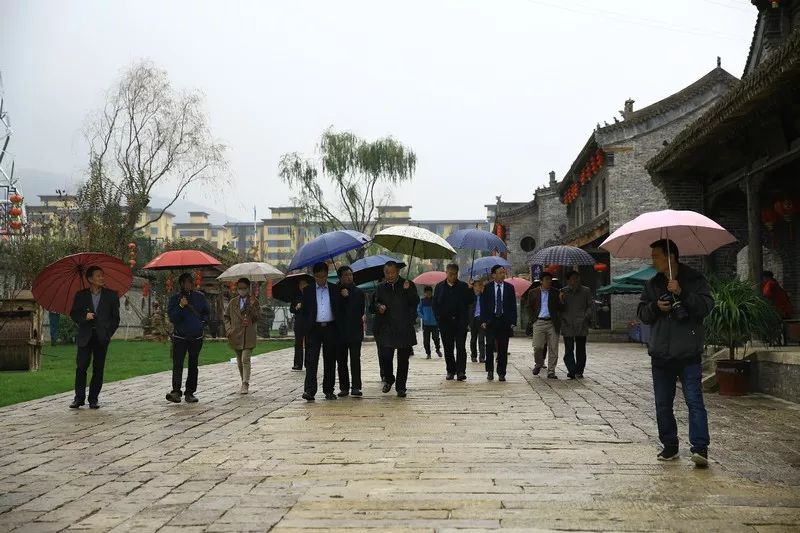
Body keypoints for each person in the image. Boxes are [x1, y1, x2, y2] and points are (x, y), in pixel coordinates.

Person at [637, 239, 713, 468]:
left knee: (694, 401)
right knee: (662, 404)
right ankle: (669, 446)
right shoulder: (653, 284)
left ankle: (700, 448)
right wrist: (655, 308)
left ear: (671, 257)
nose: (653, 261)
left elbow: (707, 307)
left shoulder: (694, 279)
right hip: (661, 354)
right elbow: (642, 313)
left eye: (656, 256)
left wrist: (682, 292)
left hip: (688, 352)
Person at [68, 266, 120, 409]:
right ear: (90, 279)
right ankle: (79, 398)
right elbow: (74, 313)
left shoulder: (111, 295)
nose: (102, 278)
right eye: (98, 276)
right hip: (85, 336)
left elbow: (116, 319)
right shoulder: (81, 295)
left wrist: (108, 333)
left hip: (102, 337)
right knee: (81, 367)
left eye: (102, 275)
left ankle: (93, 399)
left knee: (98, 368)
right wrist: (84, 317)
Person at [371, 261, 419, 397]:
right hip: (386, 328)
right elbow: (372, 305)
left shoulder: (408, 284)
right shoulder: (380, 288)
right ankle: (389, 378)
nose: (390, 275)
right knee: (385, 356)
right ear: (384, 273)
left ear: (398, 272)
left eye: (393, 272)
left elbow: (415, 302)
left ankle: (401, 387)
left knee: (403, 359)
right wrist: (378, 307)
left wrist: (408, 290)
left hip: (404, 327)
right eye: (387, 273)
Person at [166, 273, 210, 403]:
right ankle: (176, 391)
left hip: (196, 337)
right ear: (181, 284)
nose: (188, 284)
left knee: (193, 364)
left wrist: (201, 324)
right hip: (180, 337)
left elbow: (206, 313)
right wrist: (181, 306)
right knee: (178, 364)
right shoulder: (175, 299)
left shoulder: (200, 297)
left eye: (190, 282)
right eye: (185, 282)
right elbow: (173, 318)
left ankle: (190, 392)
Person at [301, 262, 341, 401]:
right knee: (311, 361)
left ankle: (329, 390)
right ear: (314, 276)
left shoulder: (335, 289)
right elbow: (305, 312)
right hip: (314, 330)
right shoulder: (308, 290)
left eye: (323, 276)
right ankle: (309, 390)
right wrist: (306, 327)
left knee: (330, 360)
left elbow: (340, 309)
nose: (321, 280)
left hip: (330, 328)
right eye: (318, 277)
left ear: (327, 274)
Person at [433, 263, 472, 381]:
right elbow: (435, 305)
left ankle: (461, 371)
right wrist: (439, 319)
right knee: (448, 348)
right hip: (445, 323)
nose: (453, 277)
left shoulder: (463, 286)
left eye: (455, 274)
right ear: (446, 273)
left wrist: (470, 289)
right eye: (450, 274)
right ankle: (450, 370)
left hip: (460, 322)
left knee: (460, 347)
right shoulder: (439, 287)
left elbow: (470, 301)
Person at [223, 277, 261, 394]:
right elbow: (226, 317)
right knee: (239, 361)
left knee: (245, 359)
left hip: (248, 334)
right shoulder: (233, 302)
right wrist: (229, 330)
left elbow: (257, 317)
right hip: (235, 335)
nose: (242, 290)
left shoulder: (254, 301)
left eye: (244, 288)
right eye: (240, 288)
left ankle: (245, 383)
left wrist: (253, 306)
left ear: (248, 289)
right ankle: (242, 380)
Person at [480, 265, 517, 381]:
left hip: (504, 321)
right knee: (489, 346)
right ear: (493, 275)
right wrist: (483, 320)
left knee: (503, 348)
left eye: (503, 272)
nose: (502, 275)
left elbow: (512, 306)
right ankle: (490, 371)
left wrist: (513, 321)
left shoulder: (510, 288)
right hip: (491, 321)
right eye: (500, 273)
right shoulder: (487, 288)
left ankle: (502, 372)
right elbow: (483, 305)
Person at [336, 265, 365, 397]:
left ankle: (356, 387)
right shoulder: (335, 291)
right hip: (340, 332)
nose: (349, 277)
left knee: (355, 360)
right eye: (346, 275)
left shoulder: (359, 292)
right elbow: (335, 311)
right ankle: (344, 387)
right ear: (340, 277)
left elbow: (360, 311)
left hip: (355, 332)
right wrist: (342, 297)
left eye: (350, 274)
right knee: (342, 361)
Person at [529, 271, 564, 379]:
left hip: (552, 323)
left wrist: (561, 299)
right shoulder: (533, 292)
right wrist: (533, 319)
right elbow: (528, 307)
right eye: (546, 280)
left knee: (553, 348)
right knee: (538, 347)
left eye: (550, 280)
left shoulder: (555, 292)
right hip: (539, 322)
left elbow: (561, 308)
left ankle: (551, 371)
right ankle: (539, 363)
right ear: (541, 281)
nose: (549, 282)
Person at [560, 271, 593, 379]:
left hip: (581, 324)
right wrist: (560, 300)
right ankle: (571, 370)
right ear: (568, 280)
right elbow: (559, 308)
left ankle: (579, 370)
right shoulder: (563, 292)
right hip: (567, 323)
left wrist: (586, 316)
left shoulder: (586, 291)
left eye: (577, 278)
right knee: (569, 349)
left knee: (581, 349)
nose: (576, 280)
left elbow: (590, 306)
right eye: (573, 278)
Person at [290, 278, 309, 371]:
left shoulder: (311, 295)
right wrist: (296, 307)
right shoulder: (296, 296)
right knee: (298, 343)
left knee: (309, 343)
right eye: (301, 284)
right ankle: (298, 363)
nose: (303, 286)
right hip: (299, 322)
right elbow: (291, 309)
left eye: (304, 284)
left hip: (309, 322)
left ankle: (308, 363)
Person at [417, 286, 441, 359]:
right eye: (427, 293)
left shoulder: (435, 300)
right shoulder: (422, 301)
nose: (428, 294)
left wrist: (438, 317)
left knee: (436, 338)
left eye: (430, 293)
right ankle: (428, 353)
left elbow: (439, 309)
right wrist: (423, 317)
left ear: (432, 292)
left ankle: (437, 349)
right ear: (425, 293)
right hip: (426, 324)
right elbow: (418, 310)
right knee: (426, 341)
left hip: (435, 324)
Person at [468, 279, 486, 363]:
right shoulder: (470, 296)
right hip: (473, 320)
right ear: (473, 287)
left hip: (481, 319)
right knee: (473, 339)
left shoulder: (484, 296)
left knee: (481, 339)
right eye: (475, 286)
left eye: (479, 285)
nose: (477, 287)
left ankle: (482, 357)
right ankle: (473, 355)